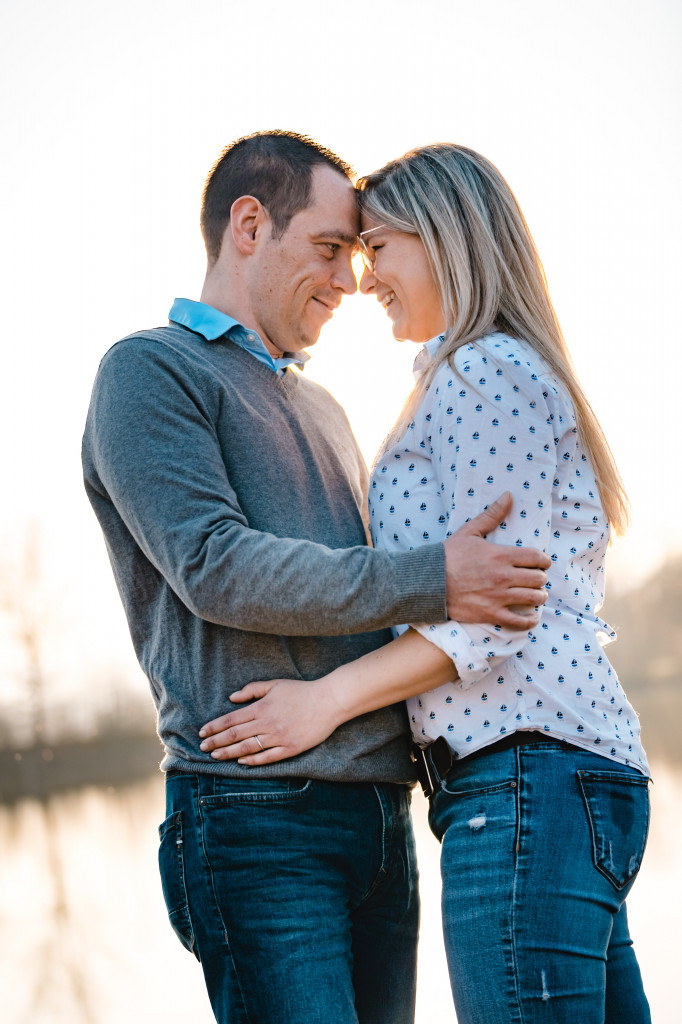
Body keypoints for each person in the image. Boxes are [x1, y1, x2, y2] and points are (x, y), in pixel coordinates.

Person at [81, 131, 551, 1024]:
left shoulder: (327, 408)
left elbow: (360, 590)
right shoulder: (150, 371)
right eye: (330, 249)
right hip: (258, 818)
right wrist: (436, 577)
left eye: (360, 253)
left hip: (382, 815)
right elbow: (217, 565)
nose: (349, 279)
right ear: (249, 225)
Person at [199, 143, 652, 1024]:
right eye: (352, 252)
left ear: (445, 239)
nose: (365, 279)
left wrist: (326, 699)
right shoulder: (481, 372)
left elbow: (491, 613)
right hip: (548, 782)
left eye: (379, 248)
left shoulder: (481, 372)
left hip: (523, 780)